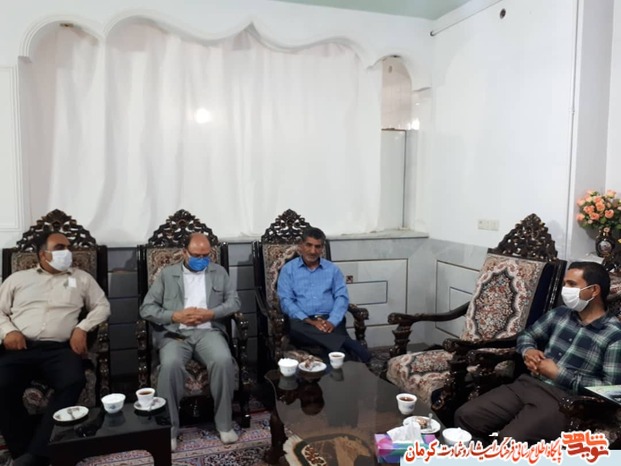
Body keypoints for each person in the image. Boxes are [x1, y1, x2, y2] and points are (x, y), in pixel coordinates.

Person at [454, 261, 621, 444]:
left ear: (594, 290)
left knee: (510, 440)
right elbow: (527, 335)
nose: (565, 290)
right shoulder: (560, 314)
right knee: (466, 415)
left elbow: (610, 390)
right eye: (565, 284)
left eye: (572, 284)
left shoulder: (614, 335)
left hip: (566, 401)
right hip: (529, 384)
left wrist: (559, 375)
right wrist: (529, 350)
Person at [0, 231, 111, 466]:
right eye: (60, 248)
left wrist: (82, 328)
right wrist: (8, 331)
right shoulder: (18, 279)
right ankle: (23, 450)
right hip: (22, 347)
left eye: (69, 247)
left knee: (73, 380)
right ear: (43, 254)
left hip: (59, 349)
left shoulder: (81, 278)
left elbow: (102, 306)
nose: (67, 252)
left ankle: (37, 454)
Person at [140, 232, 241, 451]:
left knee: (223, 360)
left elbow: (234, 302)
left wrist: (211, 314)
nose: (202, 259)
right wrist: (175, 316)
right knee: (170, 365)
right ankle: (169, 430)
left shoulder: (219, 272)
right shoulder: (168, 274)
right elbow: (146, 309)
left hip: (208, 332)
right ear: (184, 253)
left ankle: (224, 424)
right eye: (197, 255)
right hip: (176, 334)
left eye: (206, 255)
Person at [277, 227, 371, 363]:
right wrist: (310, 321)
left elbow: (341, 297)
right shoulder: (288, 270)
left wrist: (332, 321)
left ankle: (339, 359)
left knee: (336, 351)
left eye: (317, 247)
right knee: (294, 327)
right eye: (309, 245)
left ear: (322, 248)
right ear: (301, 245)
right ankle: (349, 343)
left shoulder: (332, 269)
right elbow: (286, 301)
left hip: (330, 319)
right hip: (303, 322)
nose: (313, 251)